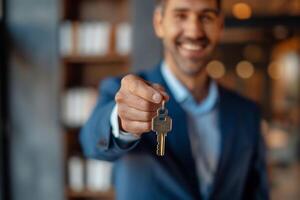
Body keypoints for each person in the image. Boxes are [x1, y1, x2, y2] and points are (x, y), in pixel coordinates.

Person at [80, 0, 269, 199]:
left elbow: (256, 191)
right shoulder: (122, 93)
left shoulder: (247, 112)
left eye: (206, 17)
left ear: (220, 26)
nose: (194, 31)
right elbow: (91, 142)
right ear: (159, 23)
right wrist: (122, 121)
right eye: (181, 15)